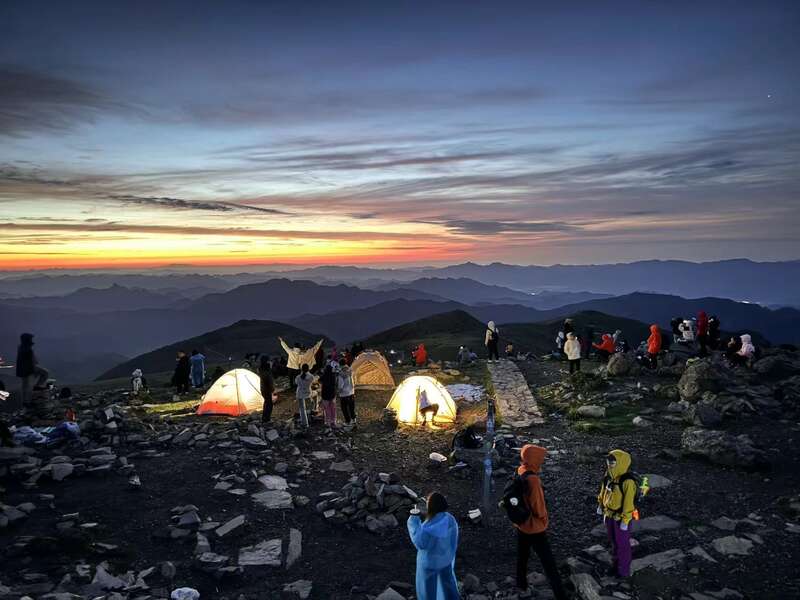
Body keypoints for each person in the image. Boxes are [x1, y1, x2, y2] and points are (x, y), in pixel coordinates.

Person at [505, 445, 569, 599]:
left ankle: (521, 584)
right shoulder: (533, 480)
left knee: (523, 556)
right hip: (535, 527)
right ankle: (561, 595)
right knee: (548, 563)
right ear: (534, 459)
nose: (542, 460)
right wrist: (543, 519)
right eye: (540, 458)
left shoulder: (521, 470)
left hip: (522, 523)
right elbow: (538, 507)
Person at [407, 492, 460, 600]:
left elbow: (420, 543)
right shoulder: (450, 519)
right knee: (448, 586)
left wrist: (414, 521)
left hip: (429, 563)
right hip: (446, 560)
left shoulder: (428, 527)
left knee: (428, 591)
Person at [597, 450, 637, 578]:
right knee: (614, 542)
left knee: (623, 545)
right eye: (608, 461)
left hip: (621, 518)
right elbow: (603, 491)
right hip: (609, 515)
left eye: (612, 462)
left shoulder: (628, 482)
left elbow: (628, 503)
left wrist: (625, 521)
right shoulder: (608, 476)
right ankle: (615, 566)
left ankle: (623, 571)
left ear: (621, 463)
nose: (609, 464)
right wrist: (600, 505)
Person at [16, 333, 49, 407]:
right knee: (28, 386)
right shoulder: (26, 349)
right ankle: (27, 402)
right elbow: (30, 361)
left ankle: (26, 402)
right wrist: (33, 369)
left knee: (26, 386)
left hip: (25, 370)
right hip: (28, 369)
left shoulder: (22, 348)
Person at [337, 358, 356, 426]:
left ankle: (348, 421)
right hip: (351, 392)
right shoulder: (351, 370)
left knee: (344, 409)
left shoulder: (341, 373)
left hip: (344, 394)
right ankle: (354, 420)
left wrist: (338, 391)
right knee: (351, 408)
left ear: (340, 364)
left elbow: (341, 385)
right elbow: (354, 379)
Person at [294, 363, 313, 429]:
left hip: (300, 393)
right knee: (309, 407)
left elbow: (296, 382)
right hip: (308, 393)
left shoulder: (298, 377)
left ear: (302, 369)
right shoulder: (311, 376)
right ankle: (310, 418)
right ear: (308, 369)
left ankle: (305, 423)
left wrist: (300, 373)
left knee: (302, 409)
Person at [258, 355, 275, 424]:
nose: (270, 362)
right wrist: (272, 389)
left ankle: (264, 418)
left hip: (263, 389)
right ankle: (267, 419)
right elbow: (269, 380)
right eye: (269, 360)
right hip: (267, 390)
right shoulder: (267, 371)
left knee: (266, 403)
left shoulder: (262, 369)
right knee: (269, 404)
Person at [320, 363, 337, 427]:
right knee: (333, 408)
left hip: (325, 394)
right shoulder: (333, 376)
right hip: (332, 394)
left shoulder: (324, 376)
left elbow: (319, 380)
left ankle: (328, 422)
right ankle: (334, 421)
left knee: (327, 409)